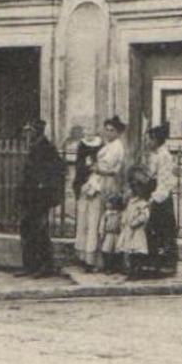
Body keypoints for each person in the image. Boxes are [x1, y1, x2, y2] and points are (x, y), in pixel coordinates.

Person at [15, 120, 66, 278]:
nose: (25, 135)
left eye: (29, 131)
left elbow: (59, 168)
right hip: (29, 197)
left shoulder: (46, 147)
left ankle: (45, 267)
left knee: (40, 232)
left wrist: (44, 184)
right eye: (25, 132)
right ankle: (29, 266)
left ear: (37, 131)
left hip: (39, 198)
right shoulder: (33, 146)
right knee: (27, 231)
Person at [74, 115, 126, 273]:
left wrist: (96, 168)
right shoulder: (108, 145)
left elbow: (112, 169)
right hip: (96, 180)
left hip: (105, 183)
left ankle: (96, 260)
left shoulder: (117, 147)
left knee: (97, 220)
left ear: (118, 133)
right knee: (89, 219)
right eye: (107, 129)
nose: (108, 133)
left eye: (112, 130)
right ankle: (86, 256)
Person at [143, 123, 179, 277]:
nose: (147, 143)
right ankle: (155, 263)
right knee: (154, 231)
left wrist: (154, 199)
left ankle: (168, 265)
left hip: (162, 198)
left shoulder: (165, 156)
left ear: (157, 140)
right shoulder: (155, 154)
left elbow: (165, 180)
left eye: (149, 140)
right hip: (156, 195)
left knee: (165, 231)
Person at [120, 168, 155, 280]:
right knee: (129, 252)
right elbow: (127, 212)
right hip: (129, 231)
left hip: (137, 231)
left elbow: (145, 216)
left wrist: (135, 222)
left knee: (137, 252)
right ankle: (130, 271)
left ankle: (136, 271)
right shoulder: (131, 202)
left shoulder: (143, 204)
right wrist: (124, 220)